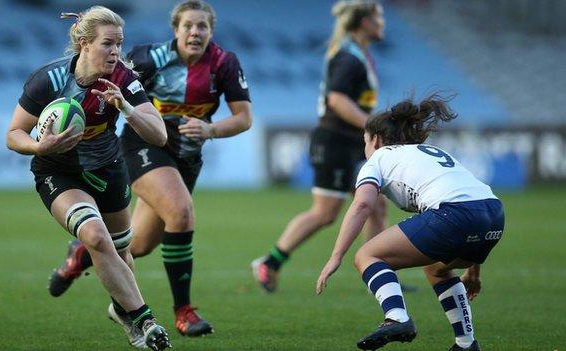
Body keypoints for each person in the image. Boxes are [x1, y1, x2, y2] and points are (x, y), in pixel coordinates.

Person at [47, 0, 252, 338]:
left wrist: (211, 129)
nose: (195, 32)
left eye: (203, 26)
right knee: (182, 212)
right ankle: (184, 312)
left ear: (211, 31)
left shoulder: (225, 64)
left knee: (137, 245)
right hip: (144, 147)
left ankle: (82, 254)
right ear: (176, 29)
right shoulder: (148, 58)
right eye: (188, 25)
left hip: (187, 157)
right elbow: (106, 73)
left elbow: (244, 118)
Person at [6, 6, 172, 350]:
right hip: (58, 171)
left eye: (119, 44)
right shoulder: (48, 80)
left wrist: (125, 106)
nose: (115, 52)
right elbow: (13, 134)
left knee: (122, 251)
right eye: (107, 44)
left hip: (107, 169)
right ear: (84, 43)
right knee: (96, 236)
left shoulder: (124, 79)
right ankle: (144, 321)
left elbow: (159, 136)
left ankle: (121, 308)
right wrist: (40, 147)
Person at [316, 94, 504, 351]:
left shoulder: (379, 158)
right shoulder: (432, 153)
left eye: (365, 142)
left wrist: (336, 256)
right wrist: (473, 270)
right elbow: (472, 200)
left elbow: (361, 204)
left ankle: (397, 317)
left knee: (367, 255)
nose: (365, 149)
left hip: (455, 215)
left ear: (377, 140)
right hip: (493, 214)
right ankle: (466, 344)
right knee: (436, 267)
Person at [252, 0, 390, 293]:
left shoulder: (357, 54)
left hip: (351, 143)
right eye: (378, 17)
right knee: (325, 213)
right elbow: (336, 100)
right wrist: (372, 125)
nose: (382, 22)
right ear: (364, 22)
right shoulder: (348, 57)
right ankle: (270, 262)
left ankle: (375, 271)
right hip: (335, 142)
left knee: (377, 204)